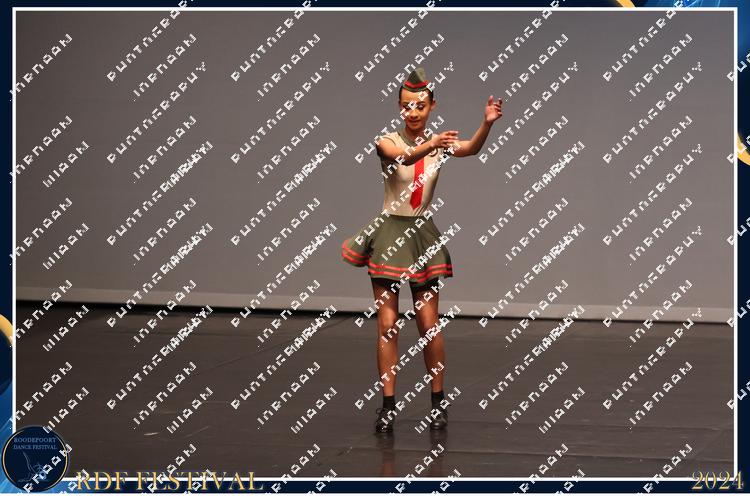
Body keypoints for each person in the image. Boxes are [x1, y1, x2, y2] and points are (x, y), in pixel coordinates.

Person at [341, 67, 503, 433]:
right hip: (389, 235)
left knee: (428, 324)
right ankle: (387, 405)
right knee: (387, 325)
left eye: (420, 106)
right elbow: (403, 158)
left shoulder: (438, 143)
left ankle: (438, 401)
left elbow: (469, 149)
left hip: (420, 236)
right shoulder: (387, 141)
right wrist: (432, 144)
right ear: (399, 107)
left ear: (432, 107)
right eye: (406, 106)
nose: (413, 112)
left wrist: (486, 124)